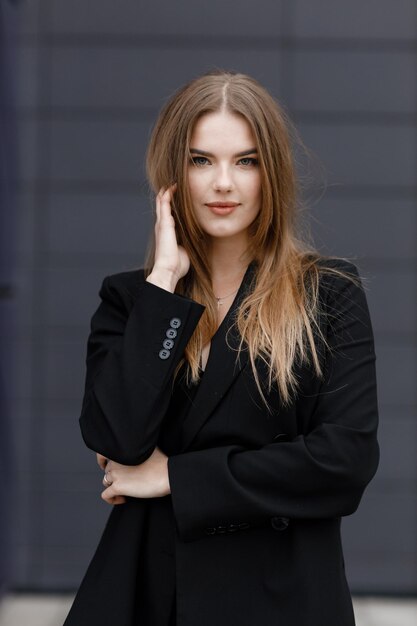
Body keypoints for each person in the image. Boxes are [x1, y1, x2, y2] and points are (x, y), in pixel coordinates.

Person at [63, 70, 379, 626]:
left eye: (246, 161)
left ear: (272, 173)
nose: (223, 184)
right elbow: (115, 439)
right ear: (172, 174)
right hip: (152, 592)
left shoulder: (328, 292)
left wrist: (175, 478)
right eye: (201, 160)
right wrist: (164, 282)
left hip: (281, 596)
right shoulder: (132, 299)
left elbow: (343, 462)